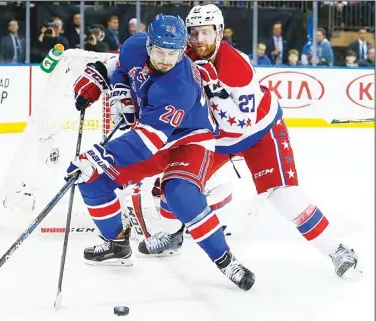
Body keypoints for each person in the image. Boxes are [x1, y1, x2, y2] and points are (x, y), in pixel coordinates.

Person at [138, 4, 359, 279]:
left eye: (206, 32)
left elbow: (240, 122)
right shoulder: (181, 54)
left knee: (283, 194)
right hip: (217, 138)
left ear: (219, 33)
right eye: (194, 33)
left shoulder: (237, 65)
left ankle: (336, 249)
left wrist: (215, 90)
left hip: (259, 132)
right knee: (174, 180)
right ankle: (172, 235)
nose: (199, 40)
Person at [69, 13, 255, 291]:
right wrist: (107, 80)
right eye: (160, 51)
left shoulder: (179, 85)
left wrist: (99, 155)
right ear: (148, 45)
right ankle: (117, 244)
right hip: (154, 133)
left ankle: (226, 260)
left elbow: (146, 141)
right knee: (92, 180)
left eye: (174, 53)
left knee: (179, 192)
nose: (167, 59)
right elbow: (120, 66)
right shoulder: (134, 45)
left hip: (190, 139)